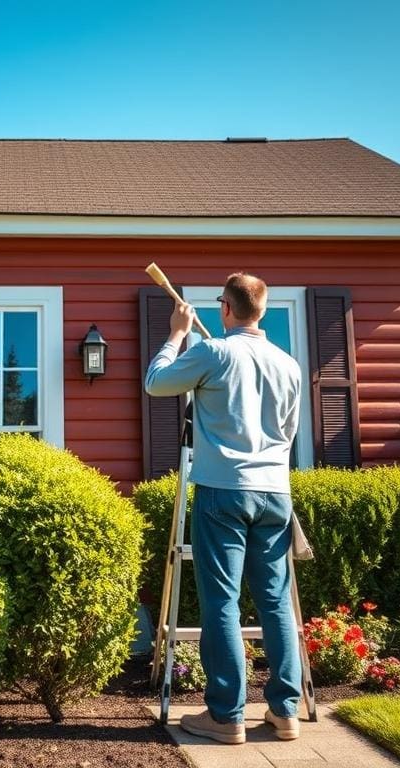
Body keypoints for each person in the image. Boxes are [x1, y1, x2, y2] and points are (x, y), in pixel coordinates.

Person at [145, 272, 303, 744]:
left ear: (226, 309)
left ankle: (226, 715)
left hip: (223, 489)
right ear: (263, 310)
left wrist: (176, 332)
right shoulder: (288, 363)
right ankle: (285, 711)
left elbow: (156, 383)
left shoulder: (213, 352)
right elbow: (289, 434)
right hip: (276, 491)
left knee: (222, 604)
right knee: (274, 603)